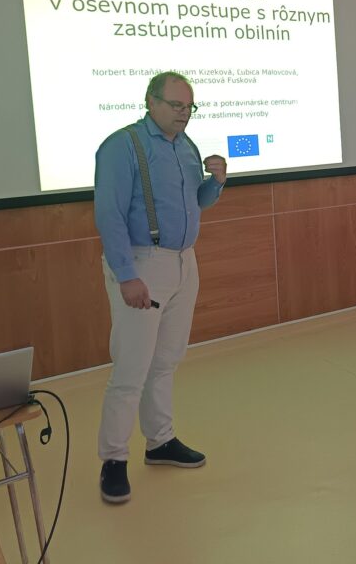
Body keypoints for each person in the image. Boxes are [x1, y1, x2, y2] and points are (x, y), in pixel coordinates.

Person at [94, 71, 227, 503]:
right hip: (142, 265)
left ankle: (160, 441)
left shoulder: (186, 146)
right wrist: (127, 275)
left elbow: (196, 203)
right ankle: (114, 459)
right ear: (150, 102)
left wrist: (216, 183)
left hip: (185, 263)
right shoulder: (122, 145)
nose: (183, 113)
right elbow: (110, 214)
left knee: (167, 359)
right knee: (131, 368)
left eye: (189, 106)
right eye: (175, 105)